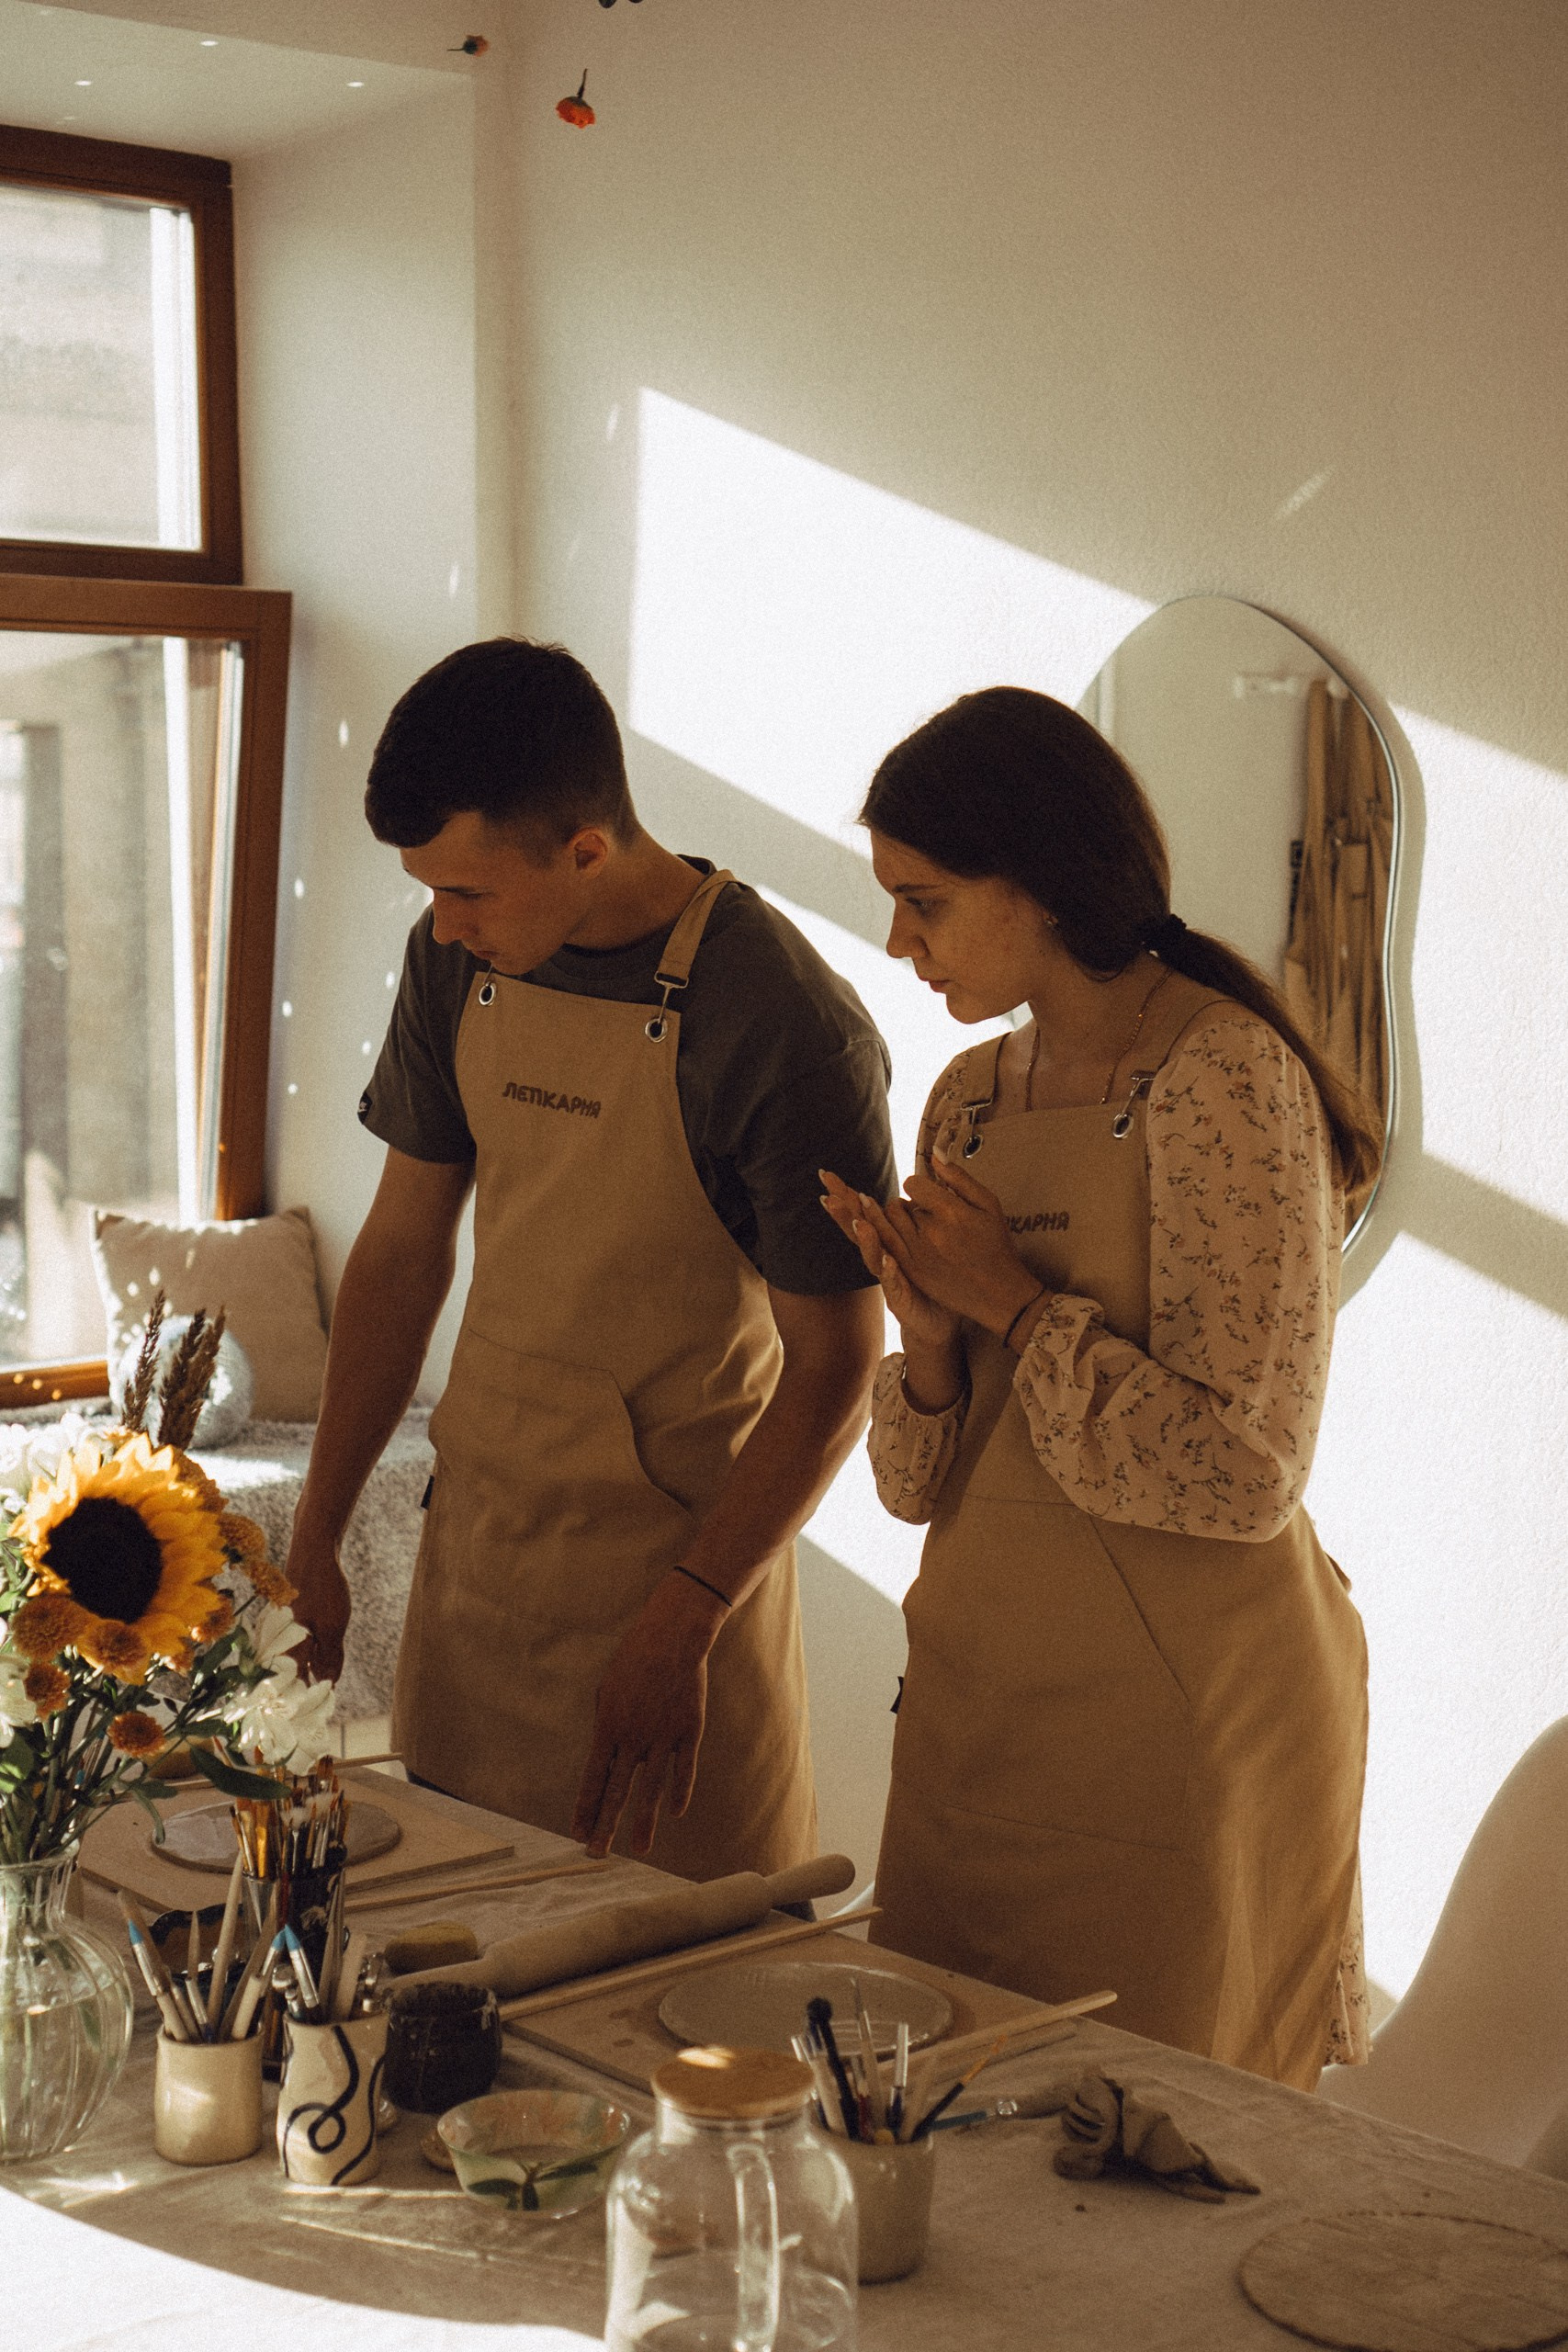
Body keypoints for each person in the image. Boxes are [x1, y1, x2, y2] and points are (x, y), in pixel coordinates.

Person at [820, 686, 1377, 2090]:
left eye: (926, 900)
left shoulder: (1228, 1078)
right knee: (940, 2135)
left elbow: (1245, 1475)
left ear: (1041, 880)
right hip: (981, 1720)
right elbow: (912, 1490)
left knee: (1159, 2165)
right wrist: (931, 1341)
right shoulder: (967, 1099)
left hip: (1183, 1737)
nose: (900, 940)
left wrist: (1013, 1297)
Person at [288, 638, 893, 1874]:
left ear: (586, 849)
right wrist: (317, 1536)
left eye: (470, 893)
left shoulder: (781, 1023)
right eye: (427, 892)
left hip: (670, 1597)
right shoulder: (451, 960)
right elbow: (402, 1258)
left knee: (672, 2024)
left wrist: (689, 1617)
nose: (442, 928)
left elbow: (836, 1363)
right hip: (479, 1578)